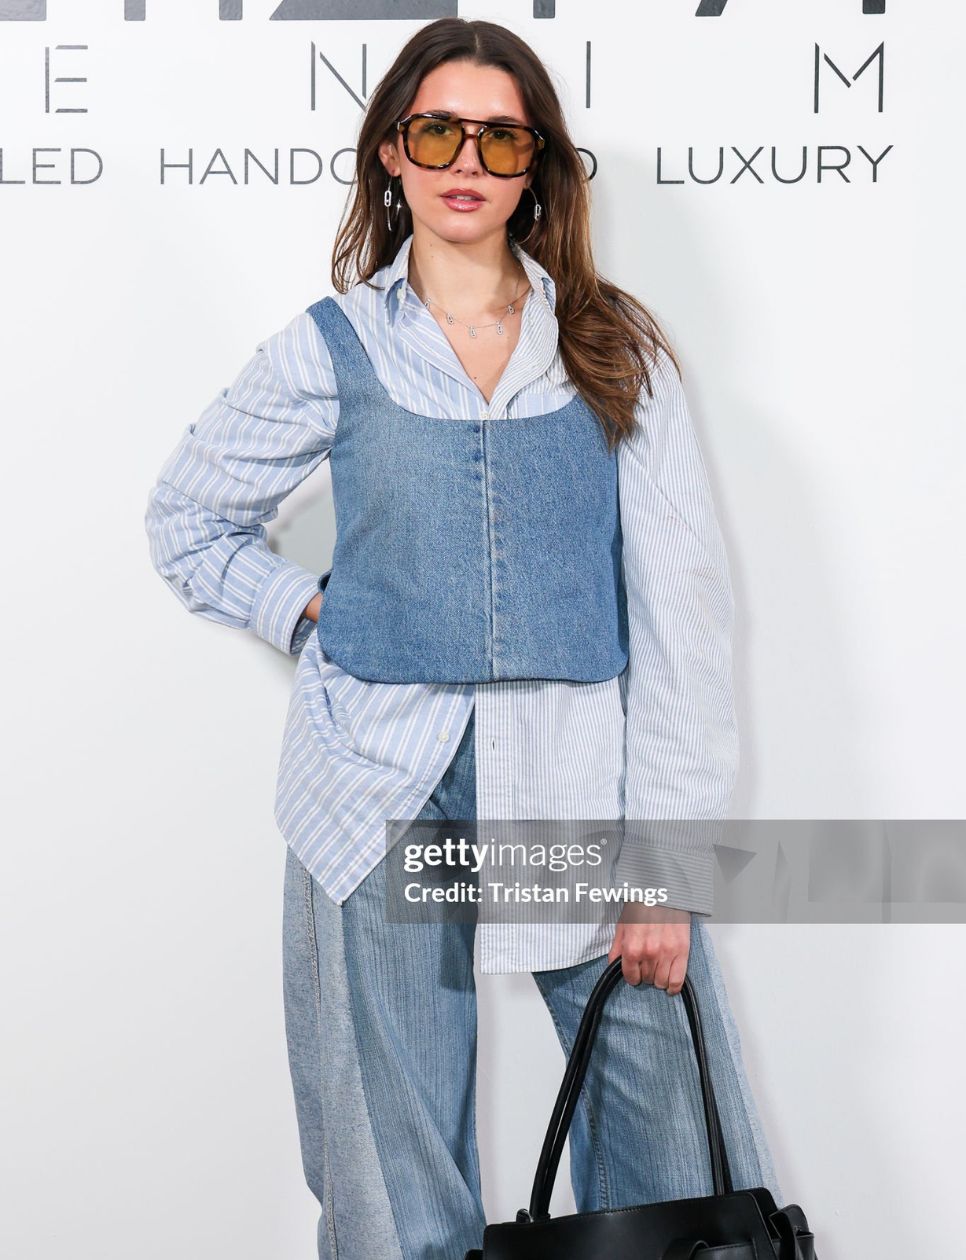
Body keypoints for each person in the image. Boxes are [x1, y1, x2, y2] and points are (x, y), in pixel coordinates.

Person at [145, 17, 785, 1259]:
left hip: (566, 785)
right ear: (393, 150)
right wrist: (305, 608)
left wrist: (663, 866)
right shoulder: (332, 348)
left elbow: (686, 615)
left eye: (500, 136)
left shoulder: (612, 347)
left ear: (535, 164)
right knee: (391, 1169)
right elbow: (187, 517)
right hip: (375, 781)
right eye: (438, 128)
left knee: (663, 1140)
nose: (466, 160)